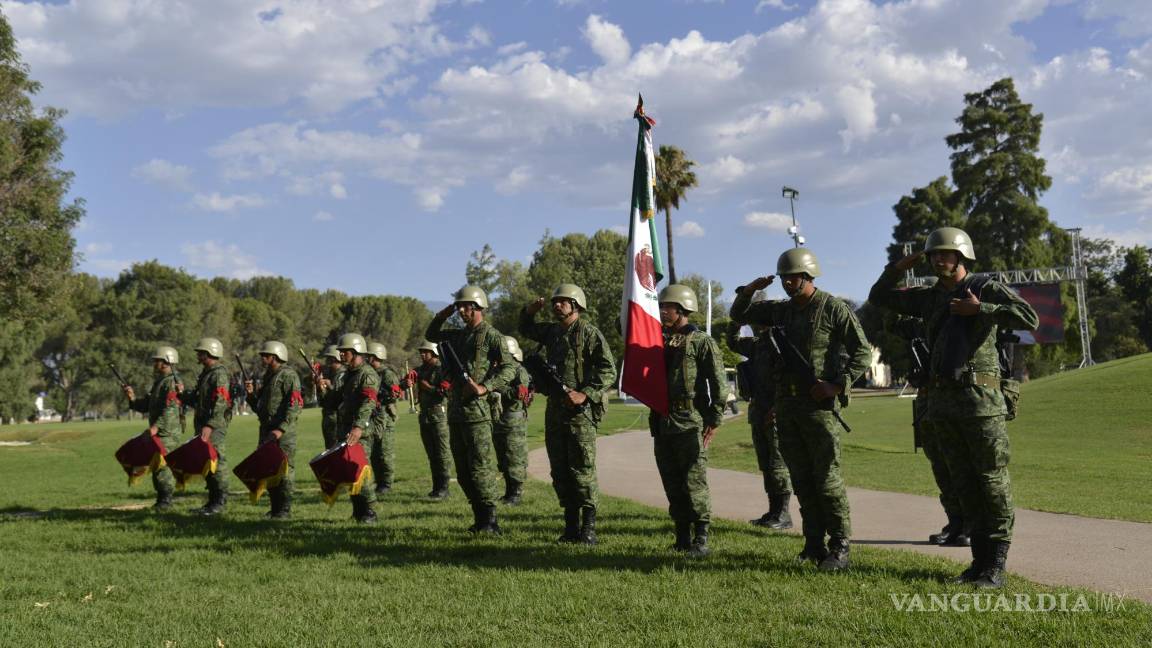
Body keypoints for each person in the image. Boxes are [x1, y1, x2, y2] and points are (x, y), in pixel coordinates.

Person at [868, 227, 1038, 588]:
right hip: (942, 405)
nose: (939, 260)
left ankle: (995, 564)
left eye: (946, 254)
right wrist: (900, 266)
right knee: (963, 484)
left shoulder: (983, 287)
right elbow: (879, 296)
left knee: (991, 482)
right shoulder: (928, 298)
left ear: (962, 256)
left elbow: (1029, 319)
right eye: (933, 255)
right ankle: (978, 564)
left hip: (981, 405)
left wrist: (982, 309)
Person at [731, 249, 872, 571]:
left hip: (818, 407)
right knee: (801, 479)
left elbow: (862, 351)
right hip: (787, 406)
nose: (787, 282)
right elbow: (741, 315)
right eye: (784, 277)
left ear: (809, 276)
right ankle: (813, 544)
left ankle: (840, 545)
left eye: (793, 277)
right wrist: (750, 289)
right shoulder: (780, 312)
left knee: (827, 480)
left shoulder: (833, 308)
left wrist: (838, 385)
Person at [519, 284, 617, 544]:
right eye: (555, 301)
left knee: (582, 469)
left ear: (576, 305)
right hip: (555, 410)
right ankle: (571, 527)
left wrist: (585, 393)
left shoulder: (589, 333)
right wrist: (529, 312)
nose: (556, 305)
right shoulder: (552, 332)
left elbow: (609, 370)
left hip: (580, 413)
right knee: (560, 471)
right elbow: (525, 329)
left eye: (563, 301)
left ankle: (589, 528)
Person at [425, 286, 516, 534]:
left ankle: (490, 521)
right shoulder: (457, 336)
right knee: (464, 472)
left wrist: (485, 387)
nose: (462, 311)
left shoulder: (491, 335)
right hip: (456, 412)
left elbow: (509, 369)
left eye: (466, 306)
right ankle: (479, 518)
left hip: (478, 414)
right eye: (459, 306)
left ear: (477, 307)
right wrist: (442, 315)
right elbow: (432, 335)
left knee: (481, 469)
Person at [650, 284, 727, 557]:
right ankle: (682, 536)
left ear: (681, 309)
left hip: (690, 420)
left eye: (665, 307)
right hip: (663, 420)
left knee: (694, 481)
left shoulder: (701, 341)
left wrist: (715, 418)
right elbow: (625, 325)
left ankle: (701, 538)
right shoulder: (656, 339)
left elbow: (719, 383)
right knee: (672, 482)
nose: (661, 312)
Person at [725, 320, 793, 530]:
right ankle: (773, 511)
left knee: (778, 464)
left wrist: (778, 406)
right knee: (765, 463)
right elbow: (732, 341)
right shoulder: (755, 344)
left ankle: (783, 513)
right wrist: (736, 322)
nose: (758, 322)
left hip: (776, 412)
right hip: (758, 410)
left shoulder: (783, 343)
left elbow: (791, 378)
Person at [243, 340, 303, 519]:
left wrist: (280, 429)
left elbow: (295, 406)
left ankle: (284, 509)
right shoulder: (268, 376)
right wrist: (251, 394)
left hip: (282, 434)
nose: (262, 358)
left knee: (284, 471)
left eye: (266, 355)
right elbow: (259, 408)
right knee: (269, 470)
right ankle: (275, 508)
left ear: (276, 356)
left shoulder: (289, 376)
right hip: (266, 431)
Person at [122, 345, 184, 510]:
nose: (154, 363)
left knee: (163, 466)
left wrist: (157, 427)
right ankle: (162, 500)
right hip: (160, 431)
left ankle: (166, 501)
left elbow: (171, 408)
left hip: (168, 432)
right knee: (157, 466)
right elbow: (146, 406)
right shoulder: (160, 382)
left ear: (165, 362)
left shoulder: (172, 382)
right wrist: (132, 398)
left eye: (156, 360)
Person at [335, 333, 381, 524]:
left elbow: (368, 402)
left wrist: (358, 427)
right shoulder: (348, 375)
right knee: (350, 473)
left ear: (355, 352)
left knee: (361, 470)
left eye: (344, 351)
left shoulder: (367, 374)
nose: (341, 355)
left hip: (359, 431)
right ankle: (358, 510)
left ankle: (369, 511)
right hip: (347, 429)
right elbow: (336, 401)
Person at [184, 337, 233, 516]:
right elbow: (197, 400)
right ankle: (212, 501)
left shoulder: (218, 374)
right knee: (207, 462)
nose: (198, 354)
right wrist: (182, 394)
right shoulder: (206, 373)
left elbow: (221, 401)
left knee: (217, 462)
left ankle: (219, 501)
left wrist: (210, 425)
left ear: (209, 353)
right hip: (204, 425)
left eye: (200, 352)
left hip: (214, 426)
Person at [492, 336, 531, 506]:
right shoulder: (497, 371)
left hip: (513, 419)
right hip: (498, 419)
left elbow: (519, 394)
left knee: (514, 456)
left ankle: (516, 493)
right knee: (503, 457)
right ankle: (508, 491)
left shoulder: (519, 371)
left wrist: (497, 388)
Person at [412, 340, 453, 499]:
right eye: (421, 351)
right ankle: (436, 486)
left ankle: (444, 487)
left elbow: (445, 393)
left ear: (434, 353)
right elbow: (405, 382)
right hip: (425, 416)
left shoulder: (442, 369)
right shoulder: (420, 370)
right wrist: (407, 381)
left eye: (425, 352)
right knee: (431, 453)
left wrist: (427, 387)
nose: (422, 354)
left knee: (442, 453)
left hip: (439, 416)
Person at [364, 342, 402, 496]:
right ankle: (379, 482)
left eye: (370, 356)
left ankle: (386, 483)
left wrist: (381, 398)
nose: (368, 359)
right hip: (374, 418)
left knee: (385, 453)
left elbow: (395, 394)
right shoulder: (369, 373)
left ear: (376, 357)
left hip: (386, 418)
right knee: (374, 453)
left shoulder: (387, 374)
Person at [317, 345, 345, 449]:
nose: (327, 362)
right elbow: (325, 400)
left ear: (335, 358)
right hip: (328, 418)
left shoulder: (343, 374)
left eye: (329, 359)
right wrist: (320, 387)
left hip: (338, 420)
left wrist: (329, 385)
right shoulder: (329, 373)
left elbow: (341, 396)